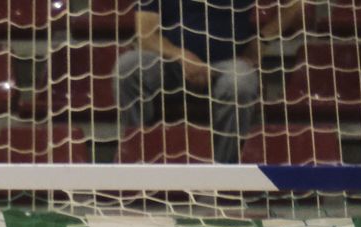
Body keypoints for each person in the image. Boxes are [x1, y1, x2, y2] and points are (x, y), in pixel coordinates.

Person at [114, 0, 305, 164]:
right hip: (171, 62)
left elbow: (296, 4)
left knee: (241, 83)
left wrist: (262, 39)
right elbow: (146, 35)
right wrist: (180, 55)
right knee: (127, 67)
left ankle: (223, 172)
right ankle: (138, 155)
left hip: (227, 62)